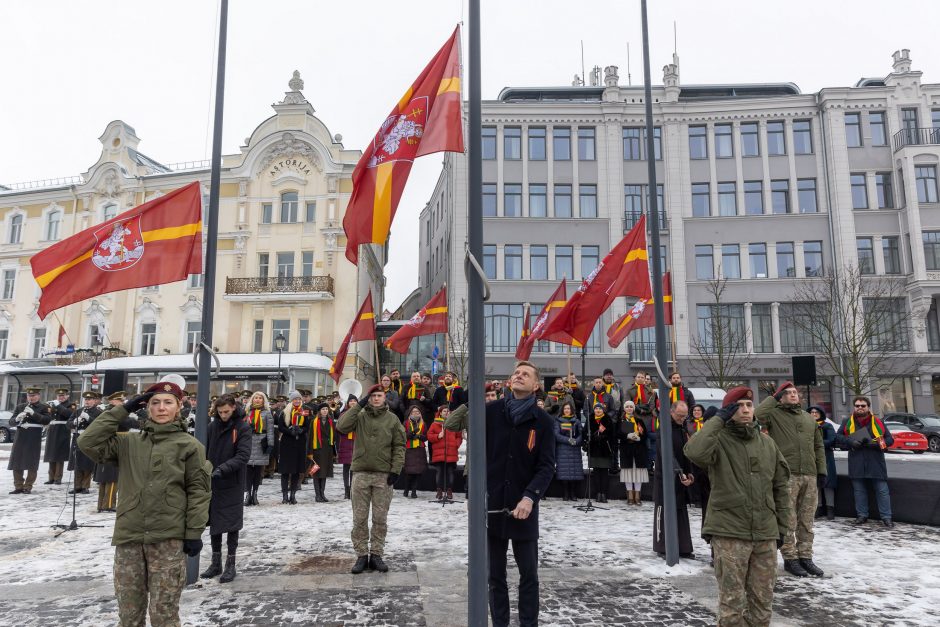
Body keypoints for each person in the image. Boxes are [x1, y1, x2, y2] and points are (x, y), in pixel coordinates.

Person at [78, 380, 211, 627]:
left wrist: (194, 532)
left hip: (168, 538)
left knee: (164, 614)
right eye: (155, 403)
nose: (161, 408)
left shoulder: (190, 446)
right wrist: (122, 409)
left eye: (168, 403)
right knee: (129, 614)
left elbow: (198, 491)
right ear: (146, 408)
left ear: (179, 407)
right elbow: (87, 441)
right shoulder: (128, 443)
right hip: (130, 538)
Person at [684, 386, 790, 627]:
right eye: (738, 406)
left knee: (762, 605)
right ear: (729, 411)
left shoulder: (767, 444)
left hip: (765, 533)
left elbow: (781, 488)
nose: (745, 410)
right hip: (730, 532)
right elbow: (694, 451)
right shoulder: (718, 440)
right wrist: (718, 420)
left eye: (749, 405)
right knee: (732, 606)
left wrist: (781, 530)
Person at [485, 361, 555, 627]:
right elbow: (478, 456)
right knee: (495, 576)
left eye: (525, 374)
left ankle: (528, 624)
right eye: (516, 372)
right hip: (493, 506)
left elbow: (547, 465)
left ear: (536, 385)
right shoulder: (490, 413)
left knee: (529, 575)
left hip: (523, 507)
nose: (518, 375)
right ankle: (499, 623)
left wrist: (530, 497)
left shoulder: (544, 422)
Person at [756, 381, 827, 578]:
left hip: (809, 474)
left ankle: (806, 556)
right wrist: (773, 398)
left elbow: (818, 446)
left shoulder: (808, 418)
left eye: (795, 392)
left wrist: (821, 470)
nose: (793, 395)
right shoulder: (774, 414)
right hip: (787, 474)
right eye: (788, 393)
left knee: (806, 519)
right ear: (781, 396)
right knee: (788, 518)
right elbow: (756, 416)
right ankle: (790, 557)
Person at [336, 384, 405, 574]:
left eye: (379, 395)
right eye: (372, 395)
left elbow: (399, 446)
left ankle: (376, 553)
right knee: (359, 518)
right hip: (360, 474)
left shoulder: (392, 420)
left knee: (380, 518)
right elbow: (341, 426)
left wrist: (396, 470)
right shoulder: (360, 416)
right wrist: (358, 405)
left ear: (385, 397)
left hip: (383, 475)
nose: (376, 399)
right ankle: (361, 555)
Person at [200, 394, 251, 584]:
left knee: (231, 524)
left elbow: (243, 455)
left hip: (232, 481)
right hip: (214, 480)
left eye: (226, 412)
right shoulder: (213, 426)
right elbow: (204, 450)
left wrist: (224, 468)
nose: (223, 415)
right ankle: (215, 563)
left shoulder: (242, 427)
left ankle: (231, 563)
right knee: (215, 522)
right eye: (220, 412)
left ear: (233, 408)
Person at [837, 396, 895, 528]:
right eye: (857, 406)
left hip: (875, 461)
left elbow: (890, 439)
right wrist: (851, 442)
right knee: (859, 491)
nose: (860, 408)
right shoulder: (847, 421)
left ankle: (886, 517)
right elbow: (838, 436)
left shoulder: (878, 422)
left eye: (863, 405)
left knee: (882, 490)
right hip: (856, 461)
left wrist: (876, 444)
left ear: (868, 407)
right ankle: (862, 515)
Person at [653, 401, 695, 558]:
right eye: (679, 416)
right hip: (665, 476)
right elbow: (666, 453)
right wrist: (679, 472)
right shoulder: (663, 428)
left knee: (680, 512)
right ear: (671, 412)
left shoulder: (682, 428)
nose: (682, 419)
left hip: (680, 476)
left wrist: (690, 473)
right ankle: (663, 547)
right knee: (664, 511)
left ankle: (683, 547)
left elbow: (686, 452)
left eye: (684, 416)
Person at [8, 387, 52, 494]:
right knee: (17, 461)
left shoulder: (44, 407)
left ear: (38, 396)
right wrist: (17, 418)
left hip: (33, 436)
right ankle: (18, 486)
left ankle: (28, 486)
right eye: (29, 396)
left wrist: (34, 414)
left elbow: (47, 420)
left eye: (33, 396)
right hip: (21, 435)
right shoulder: (20, 407)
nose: (31, 398)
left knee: (31, 462)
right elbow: (11, 422)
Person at [277, 391, 310, 504]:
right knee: (285, 471)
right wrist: (290, 432)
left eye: (299, 399)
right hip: (287, 443)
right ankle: (285, 495)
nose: (297, 401)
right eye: (295, 399)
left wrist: (301, 430)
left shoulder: (304, 411)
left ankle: (293, 495)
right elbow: (280, 427)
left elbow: (307, 426)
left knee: (296, 471)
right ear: (291, 400)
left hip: (299, 443)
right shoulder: (285, 412)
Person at [67, 392, 102, 495]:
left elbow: (99, 425)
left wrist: (88, 418)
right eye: (86, 400)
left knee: (87, 463)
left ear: (94, 401)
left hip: (89, 439)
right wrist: (74, 422)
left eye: (90, 399)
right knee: (77, 462)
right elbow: (67, 424)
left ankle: (85, 486)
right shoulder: (78, 411)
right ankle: (77, 486)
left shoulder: (98, 412)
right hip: (77, 437)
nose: (87, 401)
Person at [426, 404, 463, 501]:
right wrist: (438, 436)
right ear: (440, 413)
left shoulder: (454, 422)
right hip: (439, 453)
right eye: (444, 411)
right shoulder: (435, 424)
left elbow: (459, 436)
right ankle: (439, 491)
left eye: (448, 411)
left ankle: (449, 491)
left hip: (451, 451)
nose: (446, 413)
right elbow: (429, 436)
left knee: (450, 472)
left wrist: (456, 444)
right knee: (439, 472)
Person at [244, 391, 274, 506]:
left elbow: (271, 430)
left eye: (260, 398)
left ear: (263, 400)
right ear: (252, 399)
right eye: (255, 398)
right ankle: (248, 494)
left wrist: (270, 445)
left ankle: (255, 494)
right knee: (247, 470)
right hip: (249, 442)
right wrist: (248, 428)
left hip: (261, 442)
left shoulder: (267, 413)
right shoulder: (247, 412)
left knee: (257, 471)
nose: (257, 400)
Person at [618, 400, 649, 505]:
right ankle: (630, 497)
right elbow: (617, 434)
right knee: (628, 473)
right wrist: (627, 436)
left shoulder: (639, 420)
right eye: (627, 407)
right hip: (626, 450)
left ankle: (637, 496)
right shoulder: (621, 420)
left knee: (638, 474)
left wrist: (640, 438)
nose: (629, 409)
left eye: (631, 407)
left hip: (639, 451)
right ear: (624, 408)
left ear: (634, 409)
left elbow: (645, 434)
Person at [810, 406, 837, 521]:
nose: (814, 414)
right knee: (816, 484)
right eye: (812, 412)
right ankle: (818, 507)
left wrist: (816, 443)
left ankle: (830, 508)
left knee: (828, 483)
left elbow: (831, 440)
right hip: (812, 457)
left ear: (821, 414)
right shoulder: (807, 426)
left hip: (826, 457)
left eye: (816, 412)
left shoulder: (827, 426)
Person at [552, 400, 583, 501]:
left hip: (574, 449)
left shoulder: (576, 421)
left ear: (571, 410)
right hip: (563, 449)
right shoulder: (558, 421)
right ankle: (565, 493)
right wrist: (568, 440)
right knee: (564, 472)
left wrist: (576, 441)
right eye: (565, 408)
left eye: (568, 408)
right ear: (562, 410)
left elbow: (581, 434)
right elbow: (556, 435)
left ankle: (573, 493)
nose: (567, 410)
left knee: (574, 472)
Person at [44, 388, 73, 485]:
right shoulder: (53, 404)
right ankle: (51, 477)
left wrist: (58, 405)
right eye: (59, 396)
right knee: (51, 454)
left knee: (59, 456)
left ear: (67, 396)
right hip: (52, 430)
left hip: (62, 431)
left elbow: (69, 414)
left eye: (63, 395)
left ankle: (58, 478)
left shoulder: (70, 405)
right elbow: (47, 415)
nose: (61, 397)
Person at [309, 402, 336, 502]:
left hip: (327, 450)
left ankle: (322, 494)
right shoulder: (314, 422)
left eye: (326, 409)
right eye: (323, 409)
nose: (325, 411)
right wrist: (310, 452)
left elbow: (334, 437)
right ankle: (317, 495)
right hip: (317, 450)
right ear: (319, 411)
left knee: (324, 473)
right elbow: (310, 437)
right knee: (317, 473)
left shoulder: (331, 421)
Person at [586, 402, 613, 502]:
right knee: (596, 473)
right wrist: (592, 437)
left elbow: (612, 434)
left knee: (604, 473)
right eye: (596, 408)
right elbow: (585, 432)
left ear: (603, 410)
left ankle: (604, 493)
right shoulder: (590, 419)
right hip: (594, 450)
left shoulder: (607, 419)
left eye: (600, 409)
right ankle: (598, 493)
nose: (598, 410)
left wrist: (603, 437)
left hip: (605, 450)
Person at [402, 403, 427, 498]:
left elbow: (426, 437)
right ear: (410, 413)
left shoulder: (423, 424)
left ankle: (414, 491)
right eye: (413, 412)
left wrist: (420, 436)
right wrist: (412, 433)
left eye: (417, 412)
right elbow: (403, 436)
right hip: (409, 449)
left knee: (417, 472)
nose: (416, 413)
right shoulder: (405, 423)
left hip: (419, 449)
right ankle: (406, 489)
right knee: (409, 472)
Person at [336, 395, 358, 499]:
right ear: (348, 403)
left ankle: (353, 489)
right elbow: (339, 428)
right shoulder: (343, 413)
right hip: (346, 441)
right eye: (351, 401)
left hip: (357, 441)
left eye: (354, 401)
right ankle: (346, 490)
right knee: (346, 467)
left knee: (354, 468)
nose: (353, 403)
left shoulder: (361, 413)